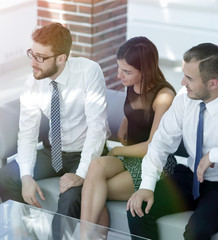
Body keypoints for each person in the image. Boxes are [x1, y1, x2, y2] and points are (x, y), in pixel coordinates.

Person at [126, 42, 218, 240]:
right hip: (190, 176)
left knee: (196, 233)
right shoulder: (185, 99)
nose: (183, 83)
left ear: (212, 83)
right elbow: (160, 142)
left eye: (189, 78)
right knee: (138, 210)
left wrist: (215, 155)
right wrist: (147, 186)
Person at [0, 22, 108, 223]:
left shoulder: (89, 72)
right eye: (32, 54)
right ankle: (26, 233)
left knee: (71, 196)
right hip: (53, 152)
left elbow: (97, 128)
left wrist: (81, 174)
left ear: (61, 59)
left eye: (41, 57)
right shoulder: (32, 83)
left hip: (85, 152)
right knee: (4, 177)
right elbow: (27, 134)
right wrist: (26, 176)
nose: (33, 63)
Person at [80, 36, 176, 233]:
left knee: (94, 188)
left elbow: (152, 146)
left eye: (126, 71)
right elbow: (136, 108)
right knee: (95, 165)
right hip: (131, 156)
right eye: (119, 68)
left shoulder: (164, 96)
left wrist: (117, 151)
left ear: (145, 71)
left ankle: (86, 237)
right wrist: (126, 120)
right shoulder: (133, 83)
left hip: (154, 163)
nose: (119, 76)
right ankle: (85, 236)